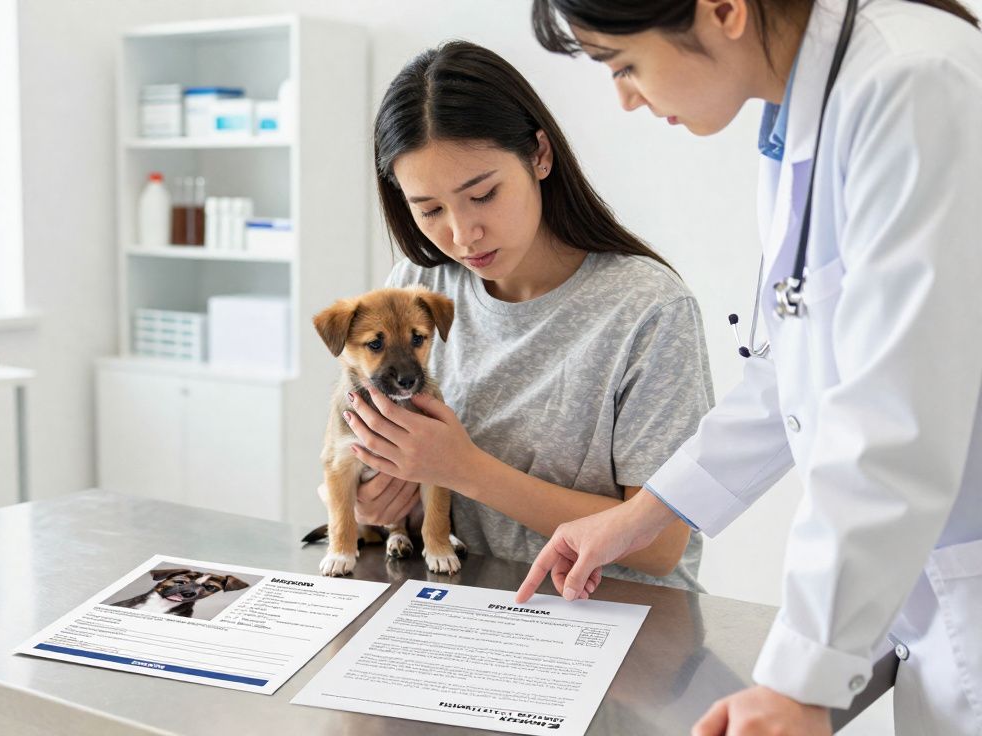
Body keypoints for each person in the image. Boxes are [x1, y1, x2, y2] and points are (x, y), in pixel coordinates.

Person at [513, 1, 982, 734]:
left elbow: (895, 415)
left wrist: (800, 684)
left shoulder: (911, 82)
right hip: (934, 596)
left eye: (624, 64)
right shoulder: (804, 117)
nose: (625, 98)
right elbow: (793, 372)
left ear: (724, 9)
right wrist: (640, 513)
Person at [339, 40, 713, 593]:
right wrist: (378, 501)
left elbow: (660, 546)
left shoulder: (645, 308)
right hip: (463, 606)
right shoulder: (416, 296)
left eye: (483, 194)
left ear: (540, 155)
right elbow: (380, 469)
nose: (462, 235)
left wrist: (460, 468)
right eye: (430, 210)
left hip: (618, 621)